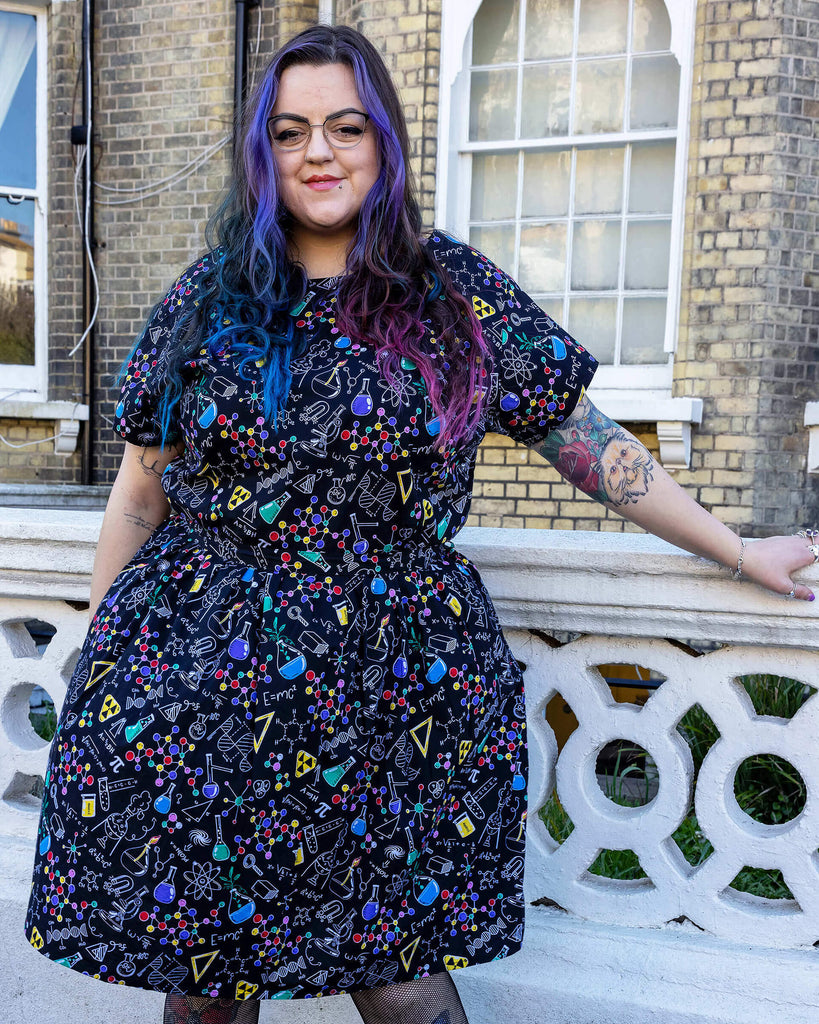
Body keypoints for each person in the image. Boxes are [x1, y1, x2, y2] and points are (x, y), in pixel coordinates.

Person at [24, 22, 816, 1024]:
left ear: (386, 144)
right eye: (291, 131)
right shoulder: (207, 302)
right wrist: (104, 660)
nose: (319, 151)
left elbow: (587, 444)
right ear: (262, 154)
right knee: (210, 983)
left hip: (397, 693)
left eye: (347, 127)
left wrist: (740, 548)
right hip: (207, 701)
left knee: (401, 974)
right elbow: (139, 497)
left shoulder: (454, 294)